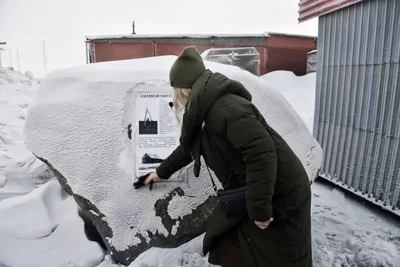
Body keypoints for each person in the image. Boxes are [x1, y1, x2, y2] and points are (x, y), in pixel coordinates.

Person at [143, 46, 312, 267]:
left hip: (279, 192)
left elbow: (261, 152)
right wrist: (160, 172)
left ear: (182, 88)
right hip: (253, 191)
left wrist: (260, 210)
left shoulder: (225, 108)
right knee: (225, 246)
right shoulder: (203, 110)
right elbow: (188, 149)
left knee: (277, 257)